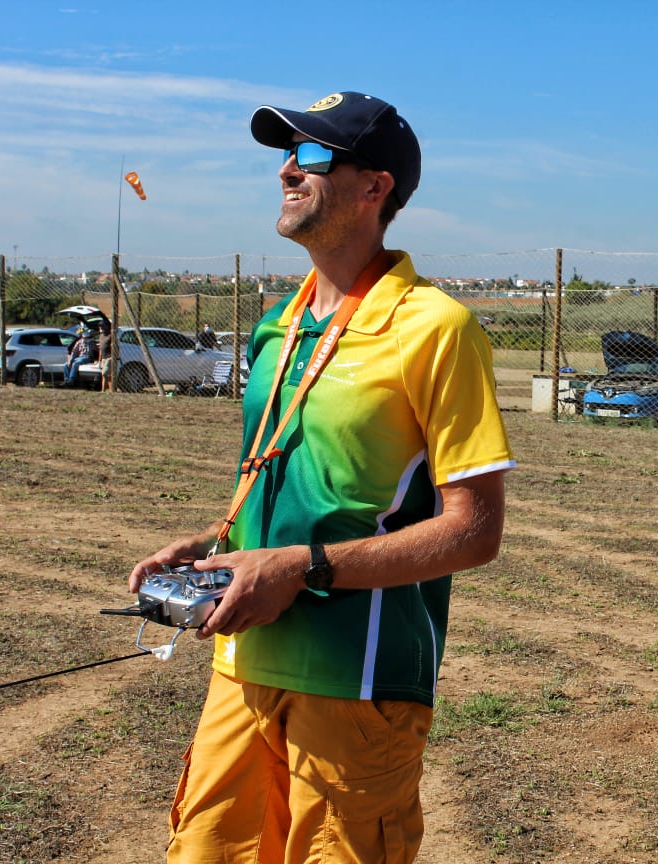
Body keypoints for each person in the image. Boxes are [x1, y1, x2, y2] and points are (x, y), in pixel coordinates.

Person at [128, 90, 516, 864]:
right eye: (284, 155)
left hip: (358, 679)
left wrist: (300, 569)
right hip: (242, 664)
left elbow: (475, 531)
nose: (287, 171)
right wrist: (210, 544)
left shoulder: (436, 328)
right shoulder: (278, 326)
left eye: (310, 156)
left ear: (375, 186)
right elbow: (298, 490)